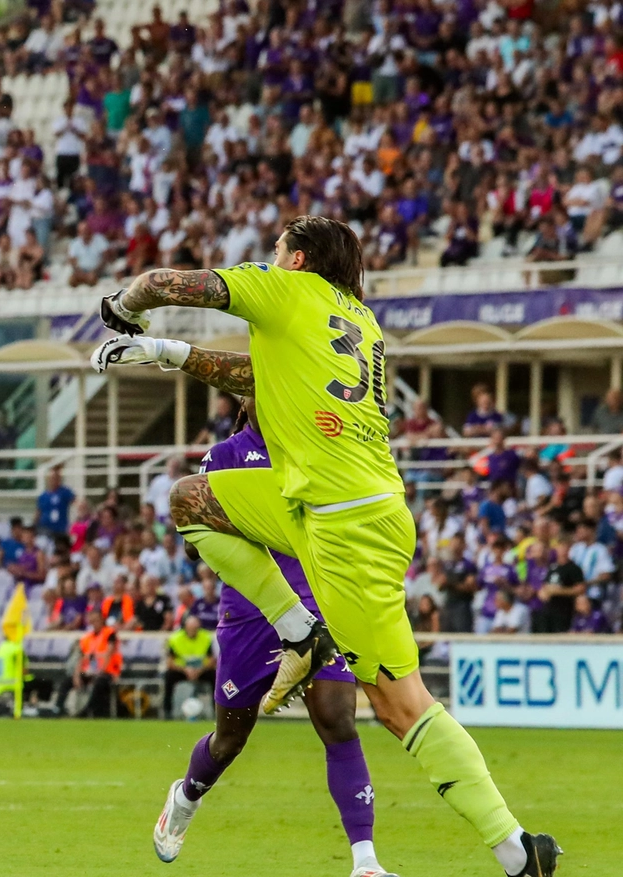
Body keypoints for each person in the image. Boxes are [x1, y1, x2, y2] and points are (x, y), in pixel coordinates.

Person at [92, 214, 561, 876]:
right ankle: (298, 628)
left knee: (402, 707)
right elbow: (260, 376)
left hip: (343, 528)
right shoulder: (358, 319)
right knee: (189, 498)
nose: (268, 257)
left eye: (276, 249)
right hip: (337, 509)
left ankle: (516, 850)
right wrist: (163, 352)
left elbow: (165, 280)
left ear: (297, 258)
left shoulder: (284, 288)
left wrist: (121, 308)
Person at [152, 393, 394, 877]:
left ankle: (365, 862)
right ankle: (187, 795)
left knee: (339, 723)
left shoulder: (315, 450)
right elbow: (196, 541)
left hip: (315, 604)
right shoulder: (224, 457)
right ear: (247, 402)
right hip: (250, 614)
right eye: (262, 388)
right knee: (230, 740)